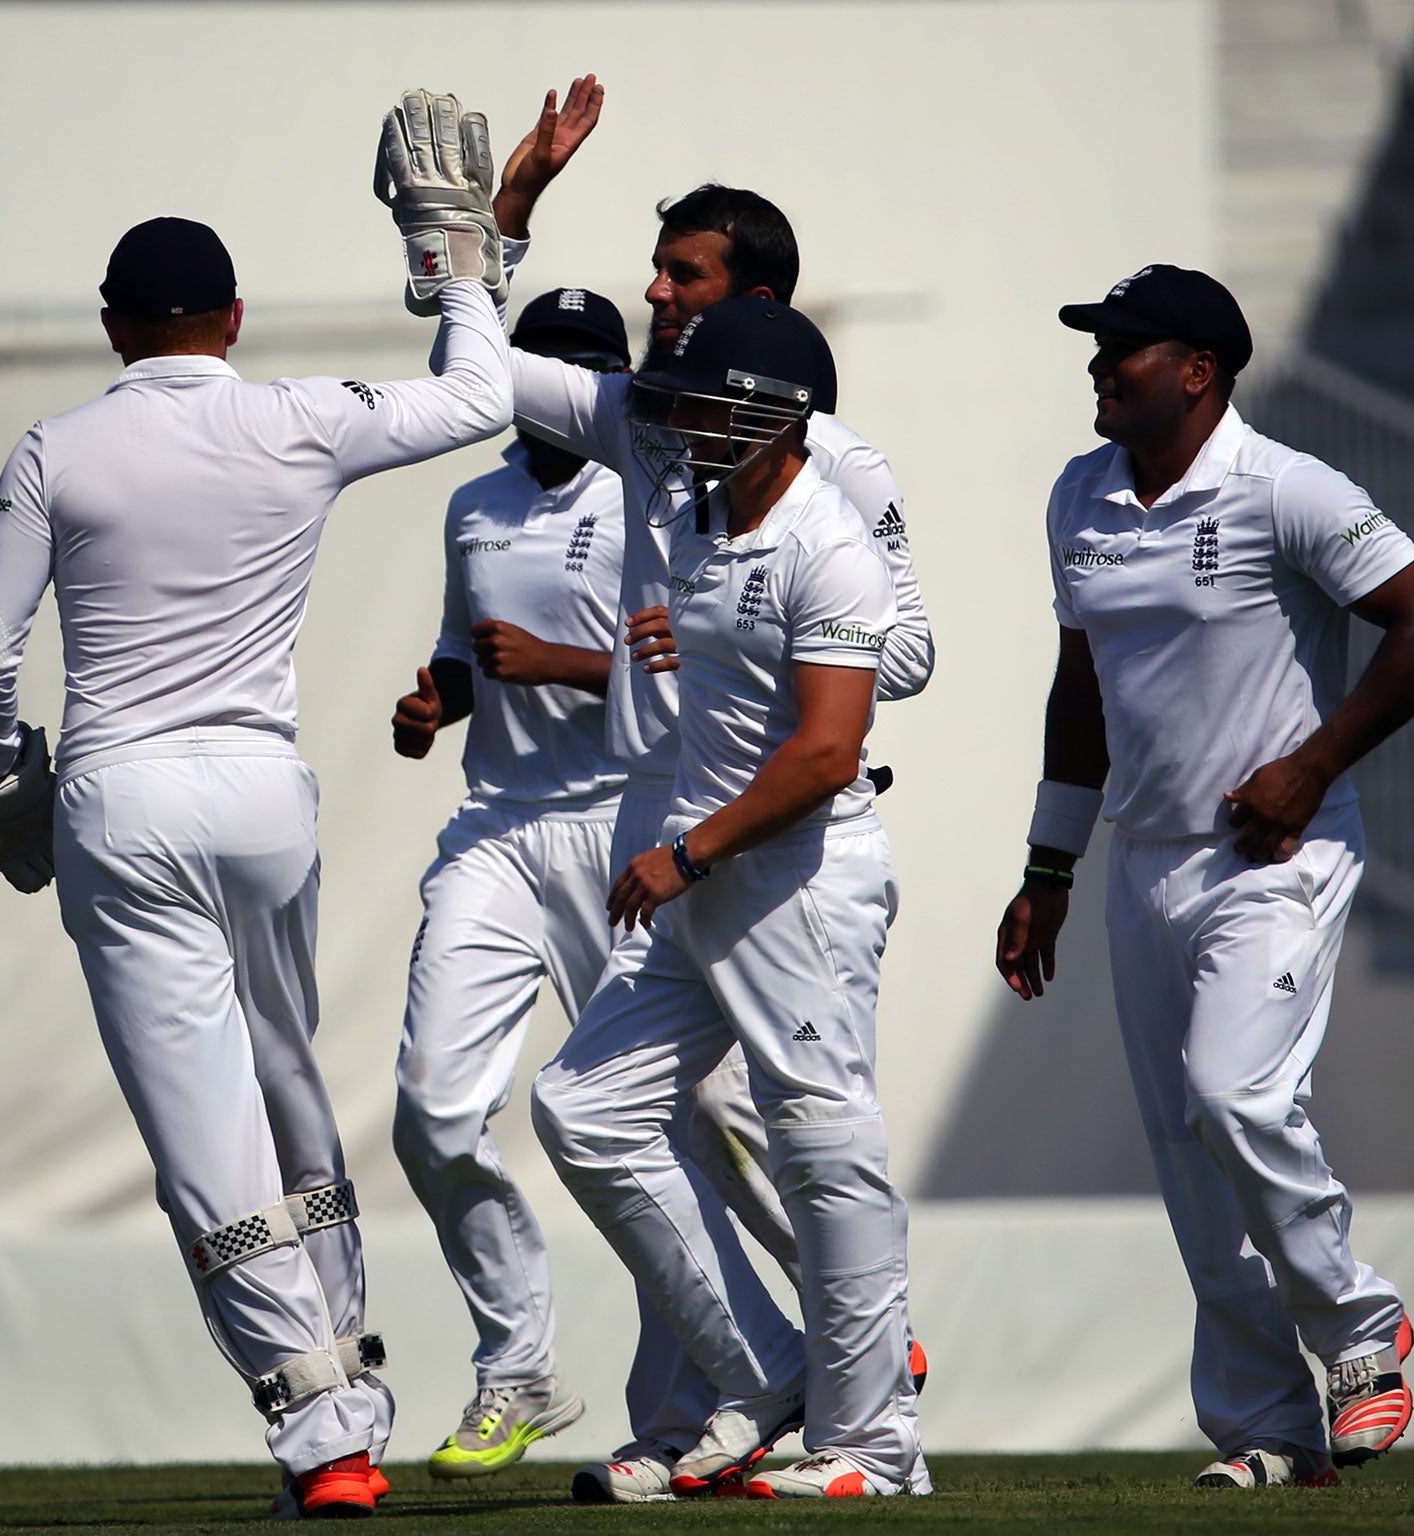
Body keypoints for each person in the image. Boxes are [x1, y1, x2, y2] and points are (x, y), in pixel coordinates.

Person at [0, 92, 511, 1521]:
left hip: (122, 803)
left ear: (114, 323)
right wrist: (454, 252)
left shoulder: (57, 449)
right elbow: (481, 397)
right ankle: (355, 1371)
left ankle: (324, 1429)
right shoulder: (298, 419)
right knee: (282, 1086)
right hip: (264, 801)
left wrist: (10, 793)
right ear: (236, 317)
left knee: (207, 1139)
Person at [475, 78, 933, 1499]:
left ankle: (868, 1435)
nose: (655, 300)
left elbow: (891, 662)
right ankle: (761, 1389)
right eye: (657, 278)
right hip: (677, 825)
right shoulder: (668, 436)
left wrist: (752, 640)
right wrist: (506, 213)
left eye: (682, 278)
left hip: (780, 846)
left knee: (806, 1135)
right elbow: (476, 370)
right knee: (599, 1115)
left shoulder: (833, 483)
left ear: (758, 324)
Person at [995, 264, 1414, 1490]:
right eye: (1096, 346)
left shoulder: (1285, 485)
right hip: (1140, 861)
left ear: (1196, 370)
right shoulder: (1079, 494)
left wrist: (1307, 764)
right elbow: (1080, 691)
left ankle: (1360, 1325)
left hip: (1277, 855)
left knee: (1230, 1098)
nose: (1097, 365)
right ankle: (1267, 1425)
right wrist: (1046, 864)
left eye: (1121, 348)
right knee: (1189, 1158)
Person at [386, 287, 630, 1479]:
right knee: (430, 1111)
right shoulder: (472, 501)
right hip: (493, 828)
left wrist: (557, 665)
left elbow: (686, 679)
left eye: (590, 366)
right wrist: (439, 701)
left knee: (666, 1124)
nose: (567, 385)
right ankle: (516, 1367)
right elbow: (462, 648)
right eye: (547, 360)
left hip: (618, 825)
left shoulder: (646, 498)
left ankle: (781, 1366)